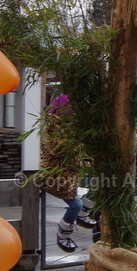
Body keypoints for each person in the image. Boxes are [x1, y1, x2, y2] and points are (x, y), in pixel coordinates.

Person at [38, 94, 96, 253]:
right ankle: (62, 235)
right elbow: (59, 150)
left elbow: (77, 150)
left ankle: (83, 213)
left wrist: (85, 157)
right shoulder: (52, 126)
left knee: (99, 183)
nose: (73, 112)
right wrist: (79, 152)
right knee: (75, 204)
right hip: (55, 176)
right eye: (69, 109)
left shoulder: (71, 126)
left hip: (71, 173)